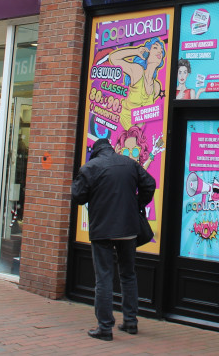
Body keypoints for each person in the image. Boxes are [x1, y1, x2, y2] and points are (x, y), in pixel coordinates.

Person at [72, 136, 156, 341]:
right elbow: (150, 184)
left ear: (96, 151)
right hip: (128, 228)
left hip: (102, 230)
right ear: (111, 148)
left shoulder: (90, 168)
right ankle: (130, 321)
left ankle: (105, 327)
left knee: (104, 277)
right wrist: (137, 204)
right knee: (128, 275)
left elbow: (77, 197)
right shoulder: (129, 163)